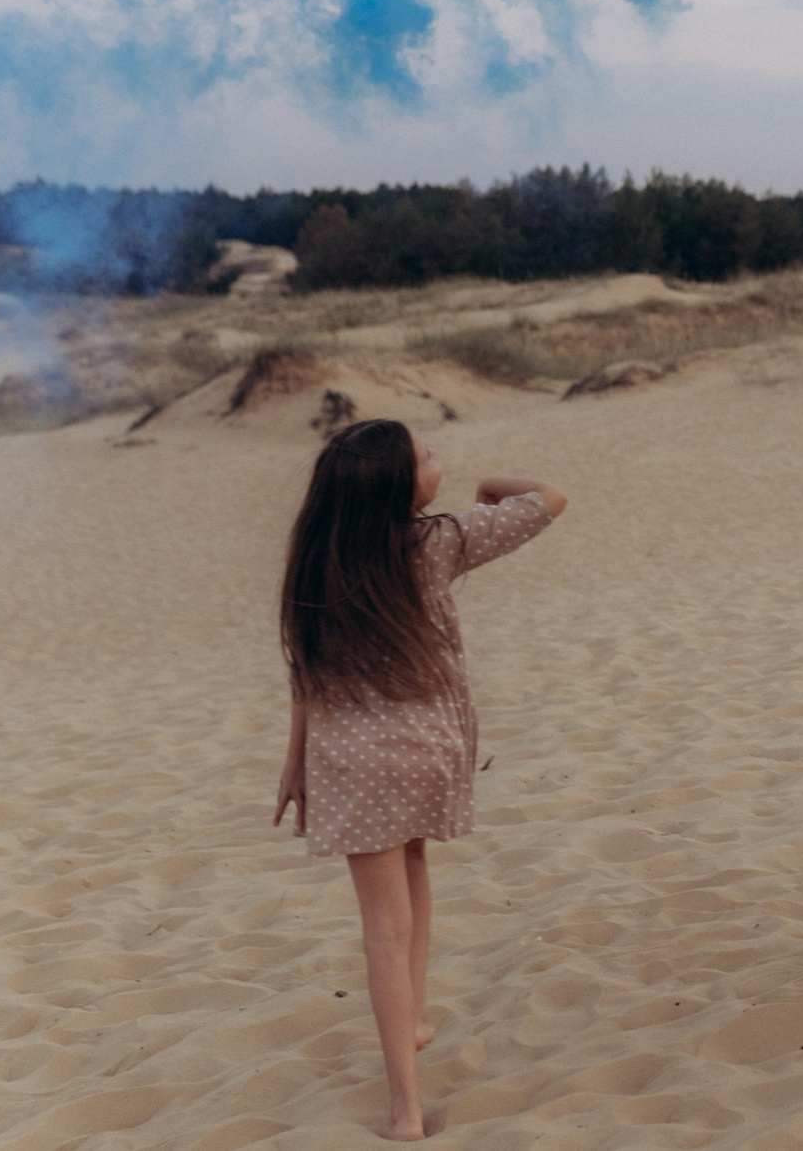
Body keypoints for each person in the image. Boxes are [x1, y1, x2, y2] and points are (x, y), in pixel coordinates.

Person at [272, 419, 568, 1140]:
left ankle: (405, 1106)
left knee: (382, 928)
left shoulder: (317, 557)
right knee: (414, 864)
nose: (439, 463)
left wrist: (293, 760)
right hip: (425, 751)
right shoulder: (438, 543)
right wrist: (492, 483)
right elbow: (549, 498)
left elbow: (306, 669)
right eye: (428, 457)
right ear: (397, 487)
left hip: (351, 760)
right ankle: (415, 1026)